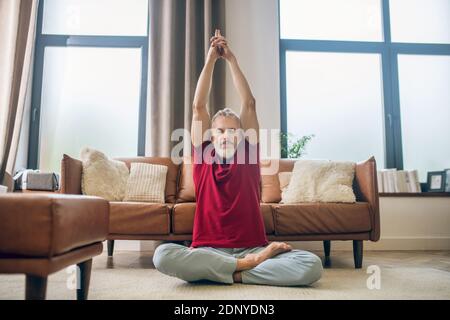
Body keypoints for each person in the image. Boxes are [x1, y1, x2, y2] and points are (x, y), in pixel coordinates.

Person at [152, 30, 322, 286]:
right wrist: (211, 59)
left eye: (233, 131)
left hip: (253, 248)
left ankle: (230, 271)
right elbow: (199, 107)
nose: (227, 136)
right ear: (211, 134)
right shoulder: (203, 157)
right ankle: (244, 270)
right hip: (208, 250)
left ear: (241, 135)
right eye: (221, 130)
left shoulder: (248, 155)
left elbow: (249, 104)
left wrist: (231, 59)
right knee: (162, 255)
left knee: (311, 266)